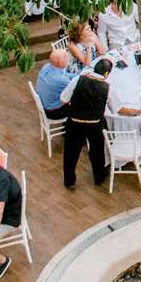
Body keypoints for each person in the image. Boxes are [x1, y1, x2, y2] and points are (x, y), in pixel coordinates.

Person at [60, 57, 113, 188]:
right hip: (94, 124)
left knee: (71, 152)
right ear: (106, 74)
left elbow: (63, 99)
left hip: (75, 122)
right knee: (97, 151)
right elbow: (118, 109)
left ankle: (69, 181)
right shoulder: (106, 88)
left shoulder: (77, 80)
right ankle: (99, 177)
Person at [35, 48, 71, 121]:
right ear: (61, 63)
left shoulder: (46, 67)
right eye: (67, 58)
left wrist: (78, 75)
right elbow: (75, 90)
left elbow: (65, 75)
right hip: (54, 112)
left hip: (46, 104)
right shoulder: (61, 80)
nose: (69, 60)